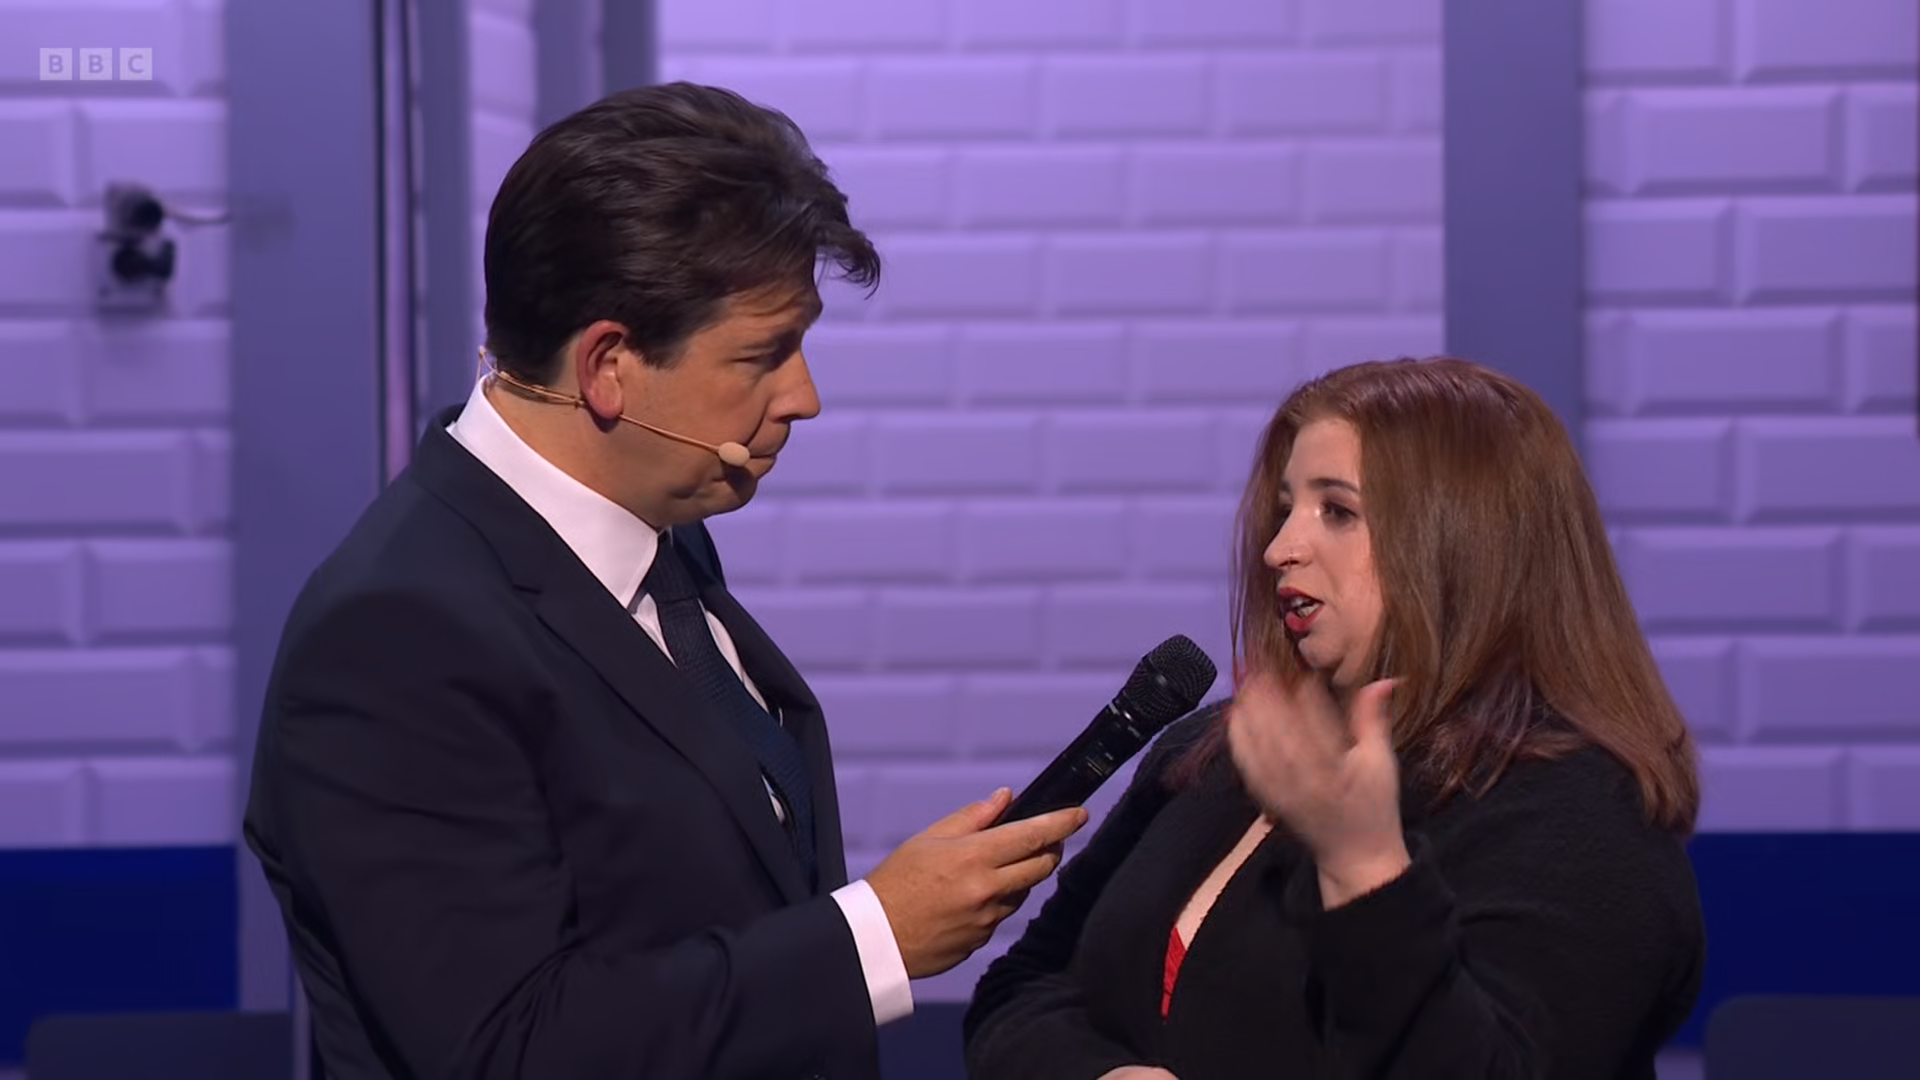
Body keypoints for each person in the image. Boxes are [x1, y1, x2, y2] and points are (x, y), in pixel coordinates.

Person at [243, 82, 1087, 1080]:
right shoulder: (397, 637)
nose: (805, 397)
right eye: (764, 354)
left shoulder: (664, 534)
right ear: (608, 365)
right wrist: (875, 937)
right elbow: (508, 1048)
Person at [962, 357, 1707, 1080]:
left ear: (1465, 543)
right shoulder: (1210, 750)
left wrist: (1364, 869)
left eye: (1338, 511)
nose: (1279, 549)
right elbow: (1020, 990)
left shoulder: (1583, 813)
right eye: (1286, 508)